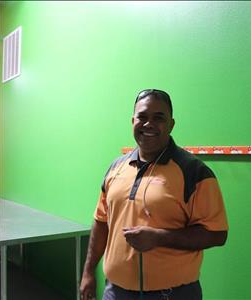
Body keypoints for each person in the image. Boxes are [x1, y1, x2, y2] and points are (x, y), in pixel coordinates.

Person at [80, 89, 228, 300]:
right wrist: (88, 271)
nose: (149, 124)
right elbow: (101, 222)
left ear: (171, 124)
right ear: (133, 121)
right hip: (114, 291)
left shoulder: (194, 172)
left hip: (172, 294)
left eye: (159, 118)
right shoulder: (116, 168)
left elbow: (217, 233)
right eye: (142, 117)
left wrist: (159, 237)